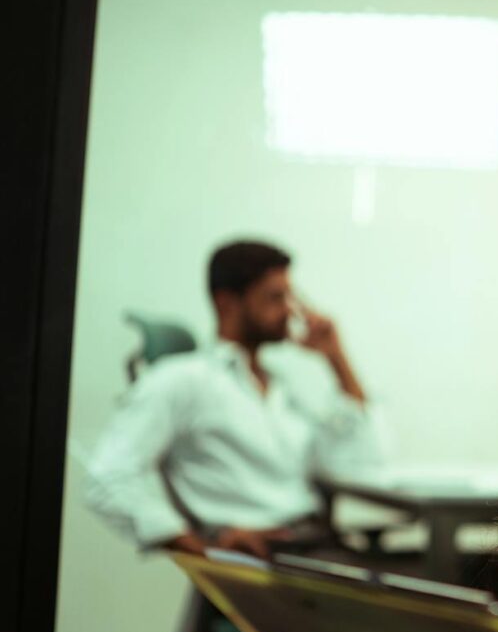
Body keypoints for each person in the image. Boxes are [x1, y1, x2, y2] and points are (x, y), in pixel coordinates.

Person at [87, 239, 386, 559]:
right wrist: (201, 548)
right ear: (227, 303)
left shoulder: (283, 388)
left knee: (434, 581)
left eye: (289, 296)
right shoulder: (184, 380)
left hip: (315, 545)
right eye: (275, 297)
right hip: (265, 562)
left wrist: (337, 359)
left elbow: (362, 463)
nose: (289, 309)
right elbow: (108, 479)